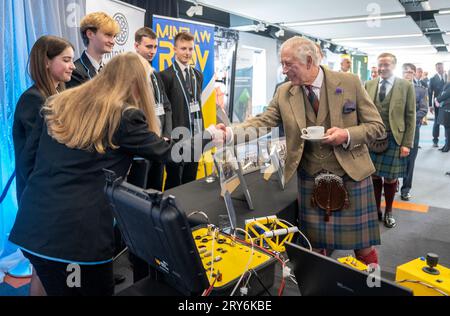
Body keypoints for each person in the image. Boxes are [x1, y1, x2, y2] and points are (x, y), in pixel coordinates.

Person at [9, 52, 221, 296]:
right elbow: (170, 153)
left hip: (33, 224)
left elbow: (28, 160)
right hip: (75, 241)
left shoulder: (58, 104)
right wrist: (210, 136)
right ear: (137, 83)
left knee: (48, 283)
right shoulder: (125, 116)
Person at [221, 36, 385, 266]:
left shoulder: (349, 82)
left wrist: (346, 135)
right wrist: (229, 133)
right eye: (282, 63)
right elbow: (263, 122)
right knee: (313, 244)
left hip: (351, 174)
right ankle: (317, 286)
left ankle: (374, 288)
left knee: (363, 245)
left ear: (309, 61)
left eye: (289, 64)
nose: (284, 70)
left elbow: (377, 128)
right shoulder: (284, 92)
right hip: (311, 178)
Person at [13, 35, 76, 297]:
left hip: (48, 198)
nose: (72, 66)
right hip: (39, 200)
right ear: (46, 62)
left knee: (46, 270)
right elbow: (34, 158)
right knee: (44, 268)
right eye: (66, 60)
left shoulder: (54, 95)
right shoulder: (34, 99)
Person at [365, 53, 416, 228]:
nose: (382, 68)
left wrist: (407, 144)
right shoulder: (369, 84)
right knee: (374, 175)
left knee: (391, 179)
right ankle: (375, 210)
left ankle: (389, 211)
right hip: (372, 137)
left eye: (386, 65)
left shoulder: (406, 85)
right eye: (380, 65)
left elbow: (411, 116)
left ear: (393, 66)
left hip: (395, 138)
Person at [160, 32, 204, 189]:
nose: (187, 53)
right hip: (177, 139)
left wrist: (202, 135)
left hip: (195, 138)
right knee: (174, 182)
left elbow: (197, 106)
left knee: (190, 181)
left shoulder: (197, 75)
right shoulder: (165, 76)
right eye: (183, 48)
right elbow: (166, 111)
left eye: (190, 49)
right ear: (175, 49)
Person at [133, 26, 172, 190]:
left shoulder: (155, 74)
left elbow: (167, 106)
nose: (153, 51)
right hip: (141, 147)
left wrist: (166, 135)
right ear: (136, 46)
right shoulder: (131, 73)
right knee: (139, 193)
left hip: (159, 144)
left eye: (155, 47)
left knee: (156, 191)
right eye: (148, 46)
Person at [66, 12, 119, 88]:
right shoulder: (75, 71)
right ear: (90, 34)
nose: (112, 41)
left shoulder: (109, 71)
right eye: (108, 35)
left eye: (114, 36)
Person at [400, 63, 428, 201]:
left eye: (411, 72)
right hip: (396, 129)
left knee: (411, 160)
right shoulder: (394, 88)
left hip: (413, 129)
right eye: (406, 71)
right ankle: (391, 184)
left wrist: (410, 120)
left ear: (414, 73)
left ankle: (405, 189)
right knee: (395, 156)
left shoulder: (421, 90)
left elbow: (424, 109)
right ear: (401, 72)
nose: (408, 74)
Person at [429, 62, 447, 148]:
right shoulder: (432, 79)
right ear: (436, 69)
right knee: (436, 122)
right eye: (438, 68)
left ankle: (447, 141)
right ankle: (435, 140)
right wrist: (430, 105)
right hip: (437, 103)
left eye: (441, 67)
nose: (440, 69)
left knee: (448, 122)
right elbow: (429, 93)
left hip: (447, 103)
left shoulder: (448, 77)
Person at [435, 70, 450, 153]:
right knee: (447, 127)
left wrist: (437, 99)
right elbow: (442, 92)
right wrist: (437, 98)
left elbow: (447, 94)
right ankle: (447, 144)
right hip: (445, 106)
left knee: (448, 128)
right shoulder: (447, 83)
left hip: (448, 107)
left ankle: (447, 146)